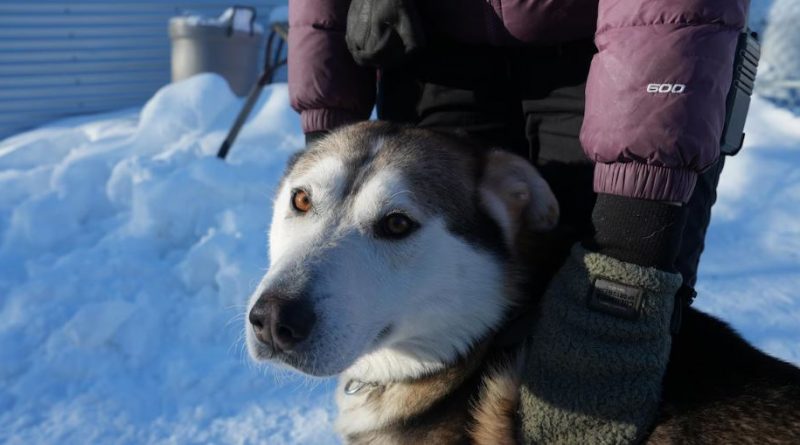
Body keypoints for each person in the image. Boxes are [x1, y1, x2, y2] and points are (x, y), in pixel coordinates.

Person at [287, 0, 748, 442]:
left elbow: (673, 13)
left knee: (611, 367)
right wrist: (328, 135)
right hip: (429, 48)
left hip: (623, 66)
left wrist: (630, 260)